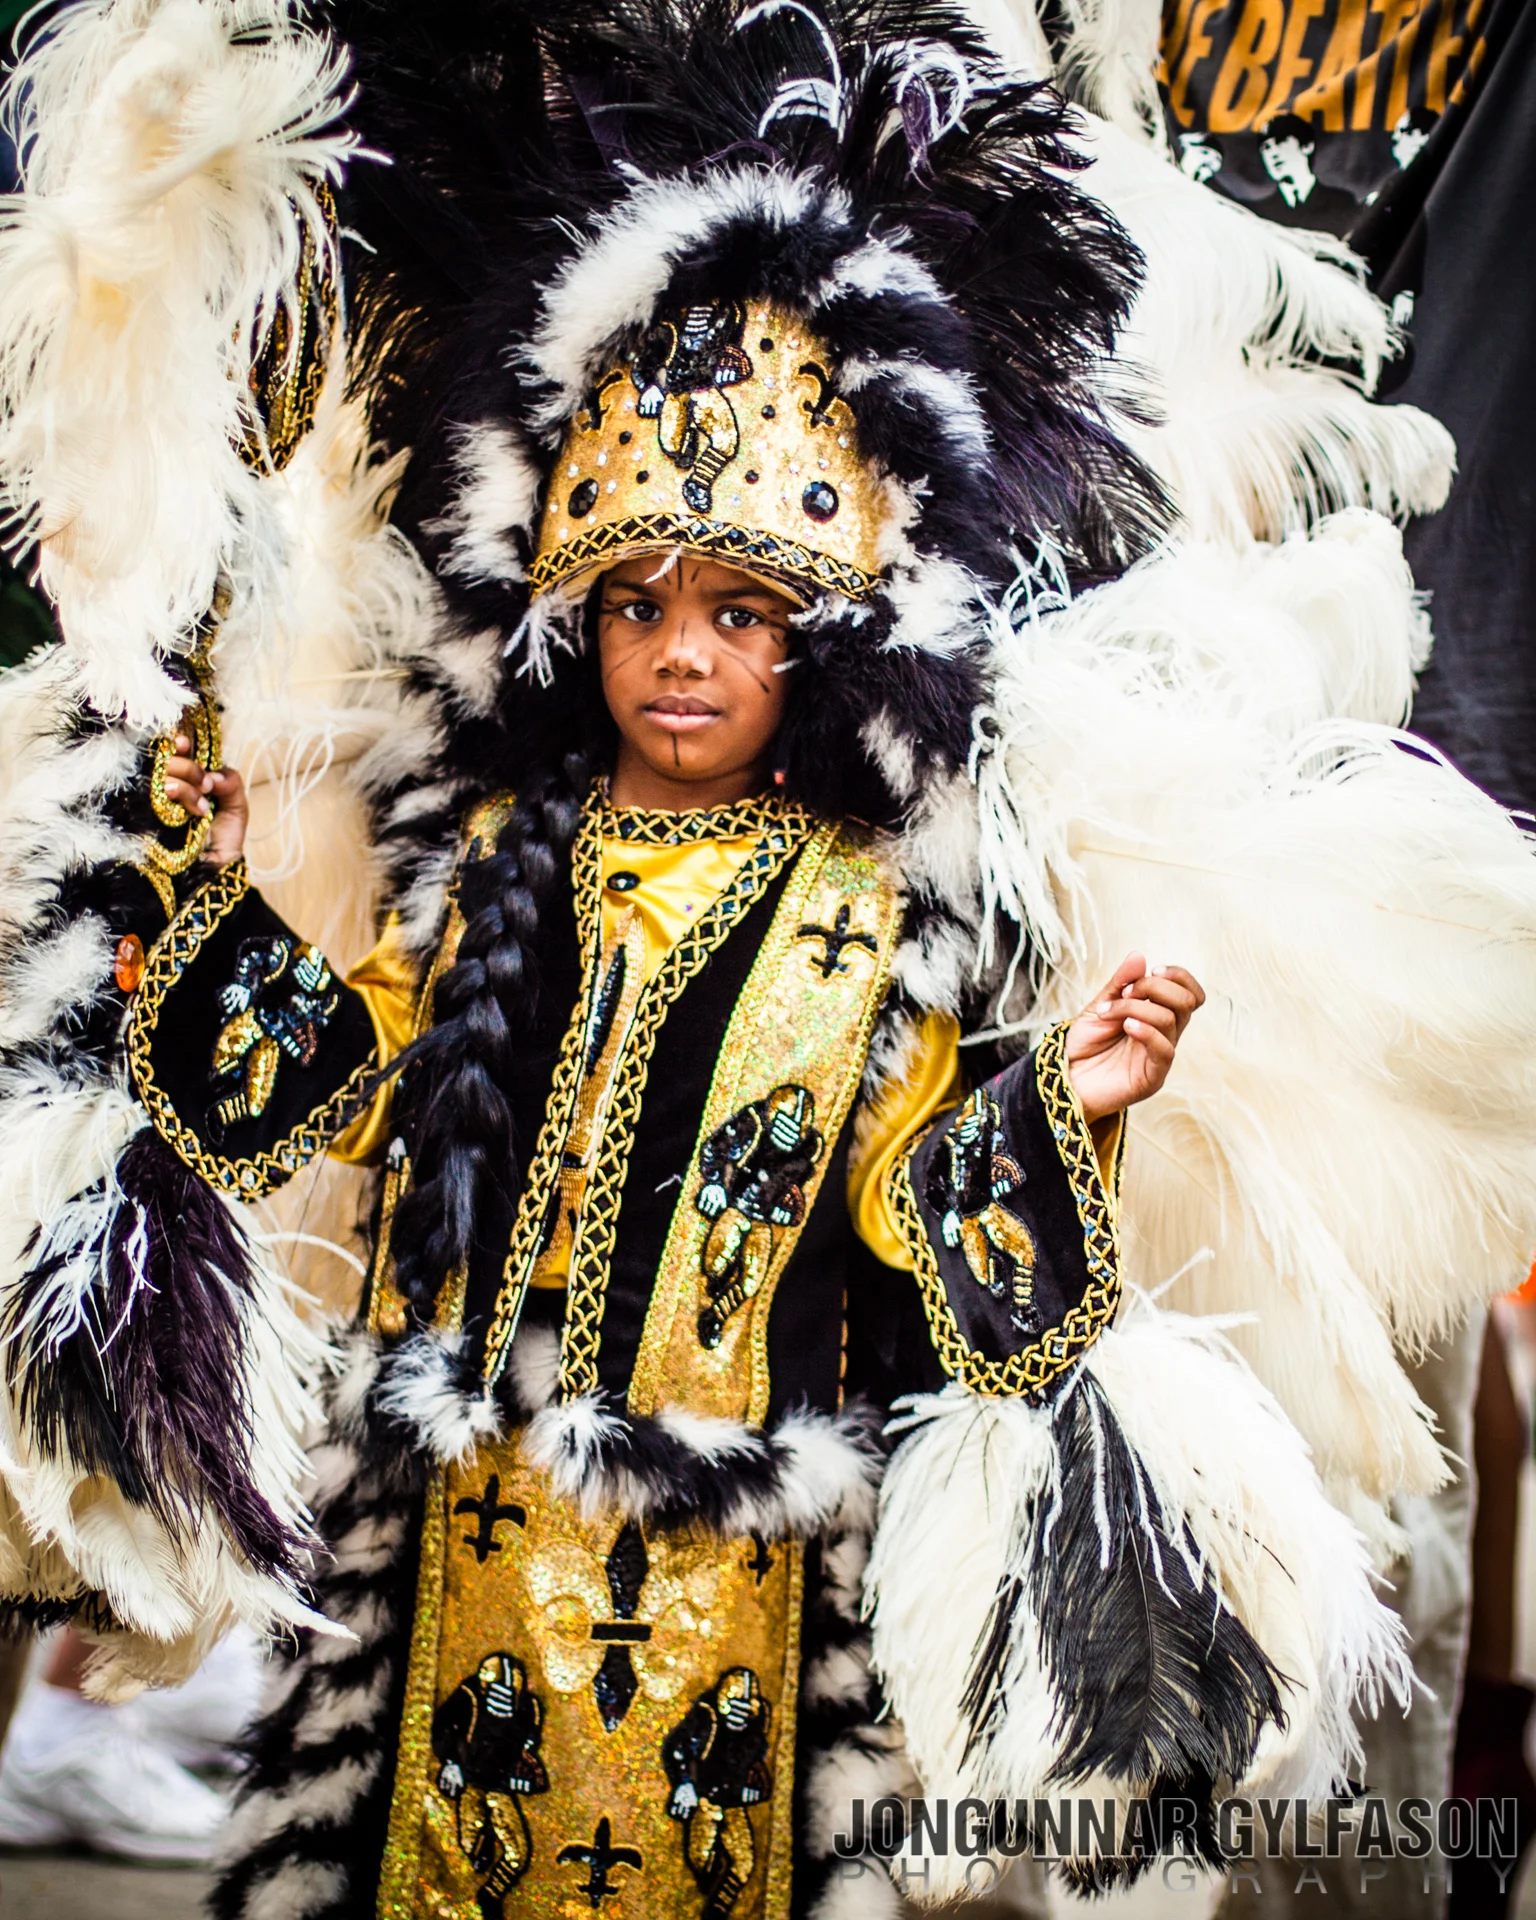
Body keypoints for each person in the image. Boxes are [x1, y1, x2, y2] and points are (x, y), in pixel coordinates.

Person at [2, 0, 1534, 1915]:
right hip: (462, 1534)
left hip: (755, 1582)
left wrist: (1064, 1101)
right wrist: (211, 917)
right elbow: (353, 1078)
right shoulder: (496, 857)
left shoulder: (876, 910)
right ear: (563, 614)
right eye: (633, 603)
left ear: (831, 633)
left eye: (740, 608)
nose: (681, 651)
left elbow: (912, 1192)